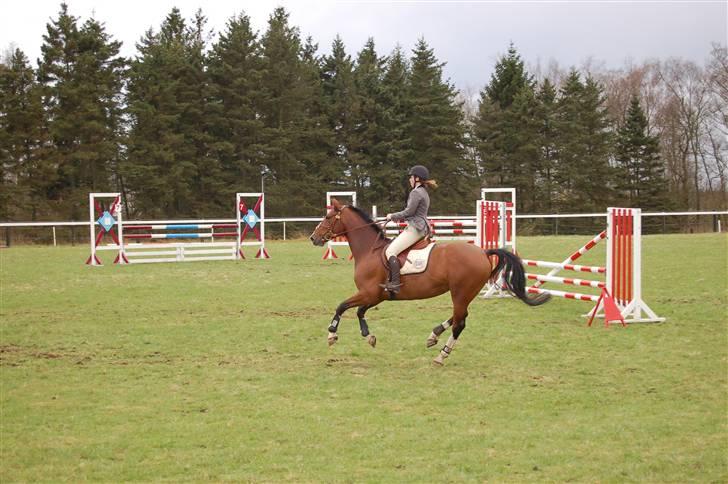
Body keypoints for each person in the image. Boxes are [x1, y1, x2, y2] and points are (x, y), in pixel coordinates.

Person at [382, 165, 438, 294]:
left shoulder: (416, 192)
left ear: (417, 178)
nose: (410, 180)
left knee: (390, 251)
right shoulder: (423, 192)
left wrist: (392, 216)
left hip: (416, 228)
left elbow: (409, 211)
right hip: (421, 226)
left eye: (411, 177)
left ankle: (395, 283)